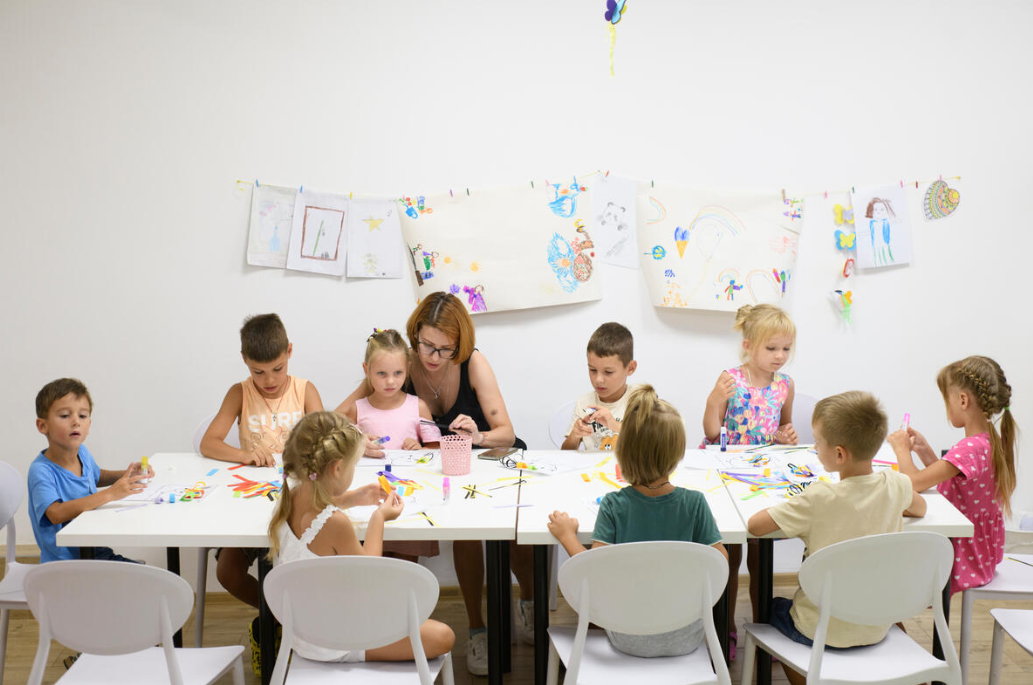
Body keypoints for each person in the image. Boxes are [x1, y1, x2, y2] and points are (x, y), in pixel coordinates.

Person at [335, 291, 529, 675]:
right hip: (431, 470)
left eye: (446, 349)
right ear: (415, 335)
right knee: (464, 534)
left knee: (512, 525)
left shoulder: (474, 363)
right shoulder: (399, 363)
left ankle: (530, 601)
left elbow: (506, 433)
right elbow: (336, 420)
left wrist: (479, 435)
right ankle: (478, 628)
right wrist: (358, 438)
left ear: (461, 344)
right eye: (426, 345)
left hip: (480, 460)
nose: (434, 357)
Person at [748, 391, 926, 685]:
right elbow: (920, 508)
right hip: (877, 624)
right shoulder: (896, 484)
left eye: (818, 442)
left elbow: (755, 526)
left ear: (840, 454)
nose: (815, 447)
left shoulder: (819, 497)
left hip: (819, 629)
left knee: (772, 608)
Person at [548, 385, 727, 657]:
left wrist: (567, 536)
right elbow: (720, 564)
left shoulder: (613, 505)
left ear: (622, 452)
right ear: (678, 453)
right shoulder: (695, 504)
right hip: (686, 637)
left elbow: (593, 570)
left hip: (626, 637)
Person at [267, 411, 454, 663]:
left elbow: (316, 511)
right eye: (353, 465)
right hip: (337, 642)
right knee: (443, 636)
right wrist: (379, 518)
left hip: (301, 633)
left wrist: (351, 498)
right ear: (337, 468)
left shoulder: (291, 498)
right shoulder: (336, 523)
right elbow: (369, 574)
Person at [199, 313, 323, 649]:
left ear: (289, 352)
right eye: (258, 372)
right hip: (254, 505)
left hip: (298, 505)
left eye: (277, 369)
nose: (269, 380)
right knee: (227, 572)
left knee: (310, 569)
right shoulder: (239, 393)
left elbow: (323, 442)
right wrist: (243, 454)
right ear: (244, 360)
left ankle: (298, 622)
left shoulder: (304, 390)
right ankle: (282, 617)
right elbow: (209, 443)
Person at [701, 303, 798, 656]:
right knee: (729, 552)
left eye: (786, 348)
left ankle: (764, 631)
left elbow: (784, 428)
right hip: (727, 473)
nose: (780, 356)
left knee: (761, 552)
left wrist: (786, 437)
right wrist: (714, 399)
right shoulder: (731, 379)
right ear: (748, 345)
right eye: (771, 348)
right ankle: (724, 627)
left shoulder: (785, 384)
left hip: (763, 477)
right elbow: (712, 430)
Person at [888, 355, 1018, 595]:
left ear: (962, 400)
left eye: (946, 400)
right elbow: (955, 482)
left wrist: (901, 450)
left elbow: (912, 483)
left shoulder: (969, 448)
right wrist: (925, 451)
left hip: (959, 553)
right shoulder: (988, 441)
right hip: (982, 553)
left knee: (890, 567)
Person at [341, 328, 441, 561]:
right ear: (366, 370)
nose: (390, 381)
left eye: (398, 373)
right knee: (372, 563)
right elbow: (342, 452)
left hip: (408, 499)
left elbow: (436, 450)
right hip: (370, 501)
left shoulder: (419, 407)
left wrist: (420, 449)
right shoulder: (356, 410)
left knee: (407, 563)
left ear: (408, 369)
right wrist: (358, 445)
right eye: (381, 373)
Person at [28, 378, 151, 562]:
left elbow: (96, 475)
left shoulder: (82, 453)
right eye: (65, 416)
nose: (76, 422)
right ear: (42, 426)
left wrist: (128, 474)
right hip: (66, 563)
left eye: (82, 416)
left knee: (147, 575)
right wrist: (110, 494)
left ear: (89, 425)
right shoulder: (41, 471)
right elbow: (55, 513)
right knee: (147, 577)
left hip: (95, 550)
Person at [562, 322, 641, 452]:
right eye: (592, 370)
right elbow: (565, 453)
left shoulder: (641, 399)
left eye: (608, 372)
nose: (598, 379)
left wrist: (615, 425)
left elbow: (653, 443)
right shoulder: (584, 402)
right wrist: (575, 435)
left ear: (630, 368)